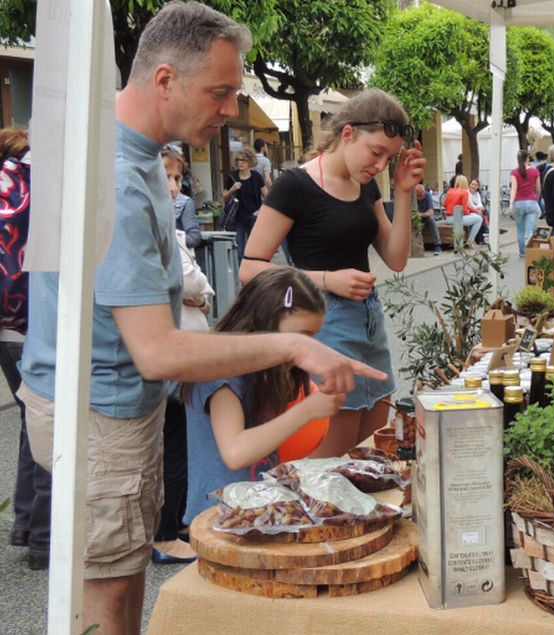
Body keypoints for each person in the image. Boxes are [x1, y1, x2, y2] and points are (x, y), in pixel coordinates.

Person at [19, 5, 382, 632]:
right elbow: (158, 352)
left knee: (123, 572)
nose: (229, 110)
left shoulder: (133, 155)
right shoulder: (121, 178)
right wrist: (292, 348)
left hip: (109, 404)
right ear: (165, 79)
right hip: (99, 410)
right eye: (220, 92)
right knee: (107, 588)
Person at [241, 88, 425, 460]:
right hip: (323, 321)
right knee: (332, 457)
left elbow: (395, 259)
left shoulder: (366, 185)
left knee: (372, 452)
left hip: (369, 320)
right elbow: (250, 269)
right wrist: (327, 279)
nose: (380, 165)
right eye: (376, 152)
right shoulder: (295, 186)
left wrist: (403, 192)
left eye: (389, 158)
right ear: (348, 133)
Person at [183, 268, 343, 522]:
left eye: (313, 338)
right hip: (220, 518)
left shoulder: (269, 370)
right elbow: (235, 453)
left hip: (259, 508)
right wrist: (308, 410)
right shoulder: (221, 374)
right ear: (264, 322)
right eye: (301, 337)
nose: (308, 348)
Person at [151, 148, 214, 565]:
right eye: (167, 177)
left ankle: (175, 524)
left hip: (186, 353)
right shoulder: (162, 234)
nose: (174, 188)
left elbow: (200, 290)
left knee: (181, 443)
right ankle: (166, 533)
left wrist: (198, 296)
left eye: (178, 179)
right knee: (175, 445)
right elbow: (191, 283)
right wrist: (196, 294)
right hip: (174, 357)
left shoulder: (170, 231)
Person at [0, 128, 51, 572]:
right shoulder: (39, 181)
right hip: (32, 318)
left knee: (28, 416)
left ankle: (23, 522)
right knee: (47, 419)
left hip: (5, 324)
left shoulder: (8, 183)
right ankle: (43, 538)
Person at [223, 148, 267, 262]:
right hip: (238, 218)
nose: (240, 163)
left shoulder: (256, 176)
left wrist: (261, 210)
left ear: (250, 161)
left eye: (243, 160)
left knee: (254, 249)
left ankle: (253, 270)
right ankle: (240, 272)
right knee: (239, 250)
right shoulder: (233, 176)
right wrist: (232, 189)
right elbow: (224, 196)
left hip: (254, 217)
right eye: (238, 160)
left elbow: (267, 196)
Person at [510, 149, 540, 258]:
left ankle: (523, 253)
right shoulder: (535, 172)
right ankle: (532, 252)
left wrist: (511, 204)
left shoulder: (514, 172)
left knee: (520, 230)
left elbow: (513, 188)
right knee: (530, 230)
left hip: (518, 203)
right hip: (531, 202)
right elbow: (538, 189)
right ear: (527, 158)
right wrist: (536, 199)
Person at [442, 175, 485, 246]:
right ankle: (470, 241)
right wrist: (470, 213)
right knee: (479, 219)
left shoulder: (450, 191)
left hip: (448, 218)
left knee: (474, 216)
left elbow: (444, 204)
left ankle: (467, 242)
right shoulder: (464, 192)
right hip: (457, 218)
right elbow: (465, 211)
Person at [415, 183, 441, 256]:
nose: (419, 198)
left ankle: (437, 245)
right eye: (418, 196)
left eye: (421, 195)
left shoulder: (428, 196)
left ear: (424, 192)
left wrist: (420, 215)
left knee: (431, 219)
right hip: (416, 219)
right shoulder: (412, 197)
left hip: (425, 218)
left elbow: (431, 212)